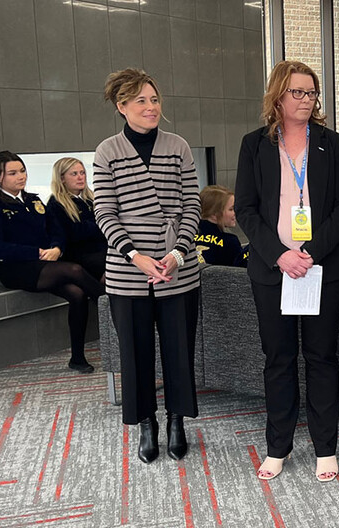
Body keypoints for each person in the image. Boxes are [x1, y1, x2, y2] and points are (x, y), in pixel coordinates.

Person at [235, 60, 339, 483]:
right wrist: (279, 255)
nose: (306, 100)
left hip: (322, 268)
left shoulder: (331, 142)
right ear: (278, 96)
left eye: (311, 93)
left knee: (322, 357)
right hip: (273, 270)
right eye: (297, 93)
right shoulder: (254, 145)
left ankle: (326, 447)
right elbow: (246, 211)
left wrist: (309, 251)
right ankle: (277, 447)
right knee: (278, 359)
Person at [94, 68, 202, 465]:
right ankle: (146, 422)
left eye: (154, 99)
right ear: (122, 107)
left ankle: (177, 420)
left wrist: (177, 253)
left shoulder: (178, 146)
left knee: (179, 350)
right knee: (134, 353)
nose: (151, 107)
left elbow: (193, 204)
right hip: (128, 272)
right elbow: (104, 211)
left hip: (178, 266)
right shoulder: (108, 151)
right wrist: (135, 256)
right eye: (140, 100)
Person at [0, 151, 105, 374]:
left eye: (23, 171)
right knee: (75, 269)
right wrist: (36, 252)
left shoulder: (32, 200)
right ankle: (111, 306)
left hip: (44, 263)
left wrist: (56, 248)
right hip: (15, 268)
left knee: (77, 293)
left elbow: (55, 230)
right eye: (13, 173)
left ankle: (77, 357)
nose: (21, 176)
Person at [47, 157, 107, 282]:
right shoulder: (56, 204)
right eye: (74, 174)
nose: (80, 177)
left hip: (100, 250)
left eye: (82, 173)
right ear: (62, 178)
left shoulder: (93, 199)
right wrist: (99, 224)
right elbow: (74, 233)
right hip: (79, 255)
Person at [196, 185, 247, 267]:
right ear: (214, 214)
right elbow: (241, 273)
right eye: (231, 209)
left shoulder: (188, 236)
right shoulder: (230, 242)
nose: (235, 212)